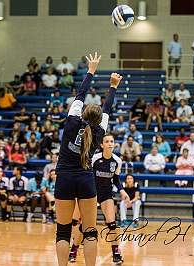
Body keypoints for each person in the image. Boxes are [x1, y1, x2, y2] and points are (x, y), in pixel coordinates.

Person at [54, 52, 120, 266]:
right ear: (99, 120)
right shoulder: (100, 131)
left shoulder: (72, 120)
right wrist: (113, 86)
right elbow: (107, 108)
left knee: (63, 231)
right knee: (90, 231)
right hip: (85, 179)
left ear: (82, 113)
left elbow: (81, 93)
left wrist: (91, 70)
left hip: (64, 177)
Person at [69, 134, 129, 264]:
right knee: (84, 224)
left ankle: (116, 253)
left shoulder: (117, 161)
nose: (110, 143)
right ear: (102, 145)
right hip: (91, 193)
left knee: (112, 224)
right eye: (107, 141)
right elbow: (85, 174)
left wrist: (122, 191)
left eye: (112, 141)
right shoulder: (95, 158)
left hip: (106, 194)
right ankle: (74, 249)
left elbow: (116, 180)